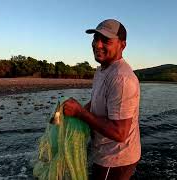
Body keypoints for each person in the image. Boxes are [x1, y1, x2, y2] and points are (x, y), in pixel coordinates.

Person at [63, 19, 141, 180]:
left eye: (106, 40)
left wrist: (79, 113)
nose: (97, 45)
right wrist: (79, 110)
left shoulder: (122, 79)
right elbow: (97, 101)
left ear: (122, 45)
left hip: (116, 160)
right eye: (95, 38)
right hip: (103, 153)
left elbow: (120, 133)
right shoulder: (101, 70)